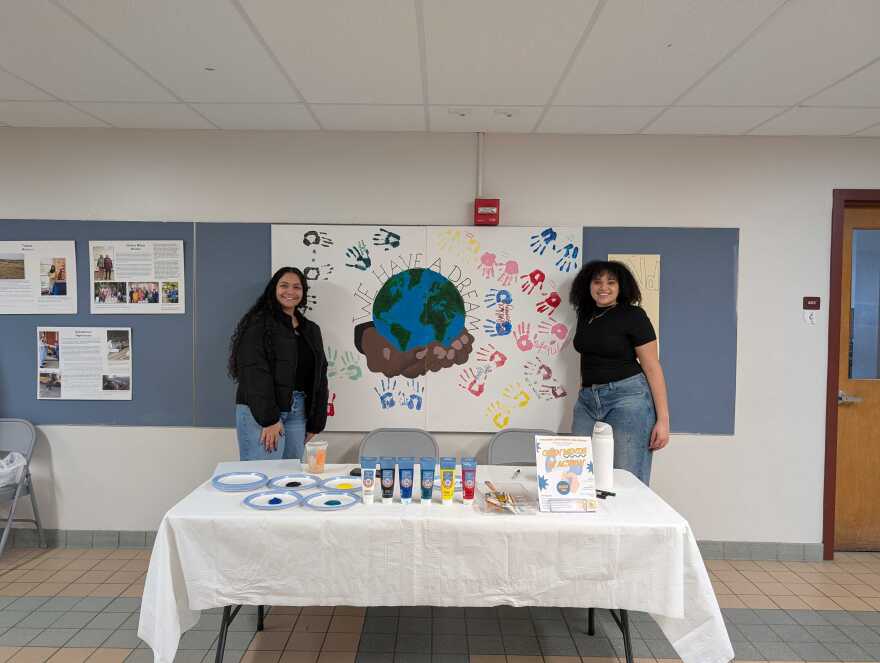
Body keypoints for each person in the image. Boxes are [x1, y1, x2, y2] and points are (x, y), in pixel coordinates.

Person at [569, 260, 669, 485]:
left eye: (611, 282)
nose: (603, 287)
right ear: (588, 285)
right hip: (587, 401)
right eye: (597, 282)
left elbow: (652, 366)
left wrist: (663, 420)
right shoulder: (586, 315)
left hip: (627, 398)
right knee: (577, 473)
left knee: (627, 478)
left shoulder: (633, 316)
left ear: (621, 287)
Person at [228, 267, 329, 461]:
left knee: (290, 478)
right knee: (264, 477)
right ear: (274, 289)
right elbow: (253, 372)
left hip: (298, 411)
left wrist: (316, 422)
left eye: (297, 287)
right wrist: (270, 419)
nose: (290, 291)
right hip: (260, 413)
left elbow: (320, 374)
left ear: (303, 292)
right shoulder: (258, 324)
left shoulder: (311, 330)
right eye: (284, 285)